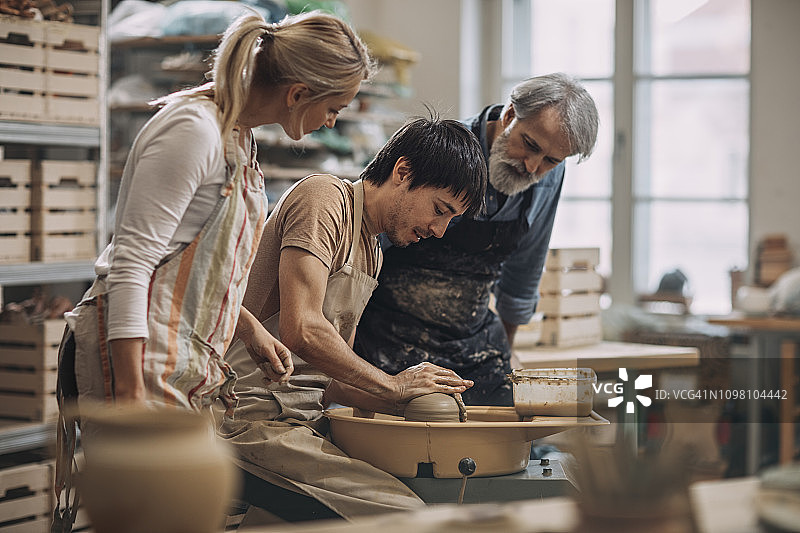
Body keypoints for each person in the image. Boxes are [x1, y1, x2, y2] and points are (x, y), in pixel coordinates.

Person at [53, 10, 373, 530]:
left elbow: (198, 260)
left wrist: (246, 328)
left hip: (182, 356)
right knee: (146, 516)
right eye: (333, 107)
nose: (332, 122)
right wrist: (132, 398)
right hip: (133, 352)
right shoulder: (192, 131)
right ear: (297, 93)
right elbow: (133, 265)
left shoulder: (239, 140)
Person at [218, 116, 487, 521]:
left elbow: (332, 382)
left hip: (302, 420)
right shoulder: (324, 199)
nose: (440, 230)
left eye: (451, 219)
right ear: (402, 172)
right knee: (404, 514)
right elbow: (301, 329)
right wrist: (391, 386)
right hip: (247, 417)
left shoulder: (373, 252)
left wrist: (411, 399)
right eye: (439, 210)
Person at [354, 73, 599, 406]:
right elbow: (366, 238)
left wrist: (505, 359)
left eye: (551, 161)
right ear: (510, 115)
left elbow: (522, 276)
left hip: (473, 344)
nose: (532, 166)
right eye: (529, 145)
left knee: (531, 417)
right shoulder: (444, 150)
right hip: (389, 336)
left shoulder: (548, 178)